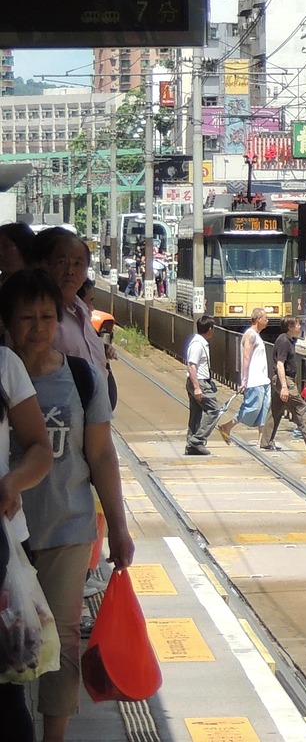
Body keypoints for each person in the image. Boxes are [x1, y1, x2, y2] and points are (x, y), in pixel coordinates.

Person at [3, 267, 133, 742]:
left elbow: (100, 453)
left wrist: (117, 526)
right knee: (14, 636)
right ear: (6, 322)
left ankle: (53, 735)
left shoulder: (79, 377)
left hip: (67, 528)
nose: (37, 328)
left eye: (46, 316)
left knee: (62, 639)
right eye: (26, 317)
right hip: (9, 534)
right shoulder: (2, 373)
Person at [0, 339, 54, 736]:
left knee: (5, 687)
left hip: (1, 547)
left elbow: (40, 448)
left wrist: (12, 482)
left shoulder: (4, 365)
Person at [31, 229, 111, 408]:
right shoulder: (39, 316)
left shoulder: (81, 309)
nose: (70, 271)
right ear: (46, 265)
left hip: (94, 418)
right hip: (61, 418)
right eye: (61, 262)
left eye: (78, 263)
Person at [263, 318, 306, 451]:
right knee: (301, 407)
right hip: (284, 380)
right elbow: (280, 364)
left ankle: (266, 441)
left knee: (275, 410)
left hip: (282, 380)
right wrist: (284, 386)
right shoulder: (284, 341)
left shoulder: (288, 340)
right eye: (297, 325)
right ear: (290, 326)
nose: (300, 327)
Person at [224, 308, 272, 447]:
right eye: (265, 318)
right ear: (258, 319)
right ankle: (227, 426)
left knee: (264, 409)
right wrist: (244, 380)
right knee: (252, 408)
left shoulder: (257, 335)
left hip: (263, 379)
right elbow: (246, 357)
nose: (267, 320)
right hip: (254, 380)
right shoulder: (250, 335)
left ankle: (262, 439)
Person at [183, 316, 219, 455]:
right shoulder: (197, 345)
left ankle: (191, 445)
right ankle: (197, 441)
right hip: (199, 382)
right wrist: (197, 387)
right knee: (214, 410)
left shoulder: (200, 342)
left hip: (200, 381)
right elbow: (192, 366)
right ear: (210, 329)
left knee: (196, 414)